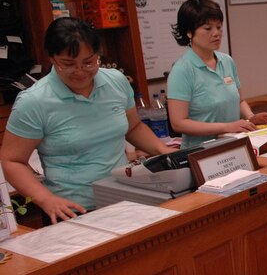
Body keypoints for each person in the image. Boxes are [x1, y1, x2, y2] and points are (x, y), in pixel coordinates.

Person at [0, 17, 175, 223]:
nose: (81, 71)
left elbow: (133, 126)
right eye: (68, 64)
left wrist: (165, 152)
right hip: (73, 209)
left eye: (89, 62)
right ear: (53, 58)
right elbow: (12, 161)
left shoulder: (116, 82)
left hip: (125, 197)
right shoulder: (34, 101)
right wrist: (46, 200)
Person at [166, 0, 267, 149]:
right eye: (208, 28)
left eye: (219, 27)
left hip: (234, 144)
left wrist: (251, 117)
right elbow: (178, 123)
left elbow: (239, 100)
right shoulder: (182, 70)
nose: (216, 33)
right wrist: (227, 127)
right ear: (189, 32)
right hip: (201, 152)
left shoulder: (226, 60)